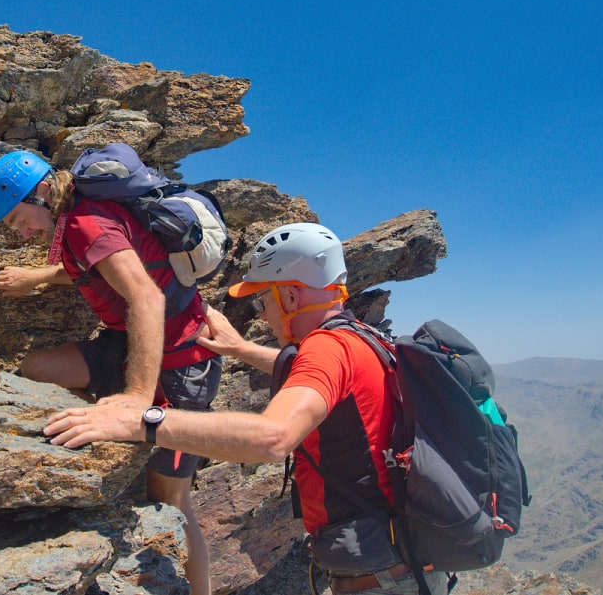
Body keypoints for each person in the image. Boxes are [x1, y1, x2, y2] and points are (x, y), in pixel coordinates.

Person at [44, 222, 449, 595]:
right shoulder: (363, 337)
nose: (264, 314)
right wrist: (241, 349)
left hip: (381, 579)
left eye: (262, 303)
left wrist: (144, 420)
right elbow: (318, 379)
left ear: (290, 295)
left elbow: (272, 439)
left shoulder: (326, 350)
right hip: (401, 561)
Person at [0, 149, 222, 595]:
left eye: (19, 219)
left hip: (178, 367)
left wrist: (135, 399)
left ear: (40, 193)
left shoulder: (84, 220)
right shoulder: (75, 219)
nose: (22, 232)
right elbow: (90, 266)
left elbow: (146, 298)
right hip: (123, 345)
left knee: (171, 502)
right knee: (36, 368)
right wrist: (36, 278)